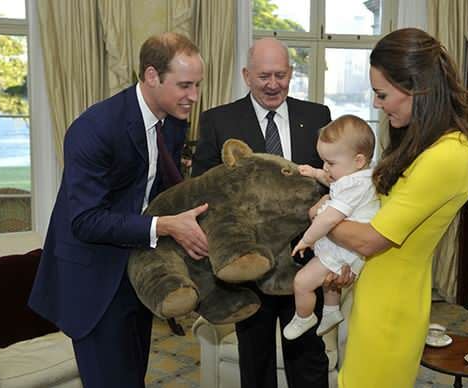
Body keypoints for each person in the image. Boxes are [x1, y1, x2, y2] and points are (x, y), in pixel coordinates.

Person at [28, 32, 209, 388]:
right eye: (185, 85)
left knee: (132, 378)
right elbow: (85, 220)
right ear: (152, 76)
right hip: (93, 282)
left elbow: (155, 191)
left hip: (134, 274)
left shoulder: (172, 121)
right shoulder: (94, 129)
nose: (194, 97)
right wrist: (164, 226)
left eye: (198, 85)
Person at [324, 28, 468, 387]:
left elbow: (370, 240)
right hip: (374, 293)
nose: (376, 104)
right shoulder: (424, 145)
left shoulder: (449, 154)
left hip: (392, 308)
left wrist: (321, 215)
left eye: (382, 94)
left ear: (417, 87)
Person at [192, 37, 331, 388]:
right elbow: (204, 192)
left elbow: (334, 185)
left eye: (281, 75)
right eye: (264, 76)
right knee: (255, 360)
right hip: (249, 266)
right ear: (246, 75)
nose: (273, 84)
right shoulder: (217, 121)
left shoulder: (317, 116)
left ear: (291, 73)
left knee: (308, 356)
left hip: (304, 260)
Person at [283, 115, 379, 340]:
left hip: (346, 247)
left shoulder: (353, 185)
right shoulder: (360, 177)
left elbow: (328, 220)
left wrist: (306, 239)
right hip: (350, 248)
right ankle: (331, 311)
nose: (326, 167)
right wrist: (316, 173)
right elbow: (334, 182)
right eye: (323, 162)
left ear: (358, 160)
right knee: (329, 282)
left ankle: (304, 317)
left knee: (302, 282)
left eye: (331, 163)